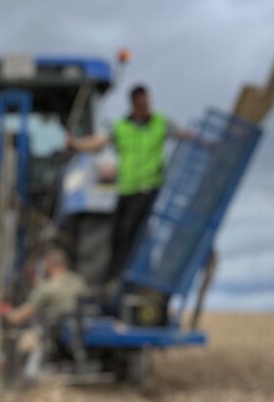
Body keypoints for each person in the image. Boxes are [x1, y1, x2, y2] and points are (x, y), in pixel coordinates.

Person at [69, 84, 193, 281]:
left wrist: (209, 143)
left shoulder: (161, 122)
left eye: (147, 103)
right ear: (133, 104)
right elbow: (99, 141)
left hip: (148, 186)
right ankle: (112, 276)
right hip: (126, 188)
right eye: (141, 104)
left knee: (131, 231)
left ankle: (124, 275)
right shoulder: (121, 126)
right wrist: (77, 144)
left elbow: (184, 134)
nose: (145, 108)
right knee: (117, 233)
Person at [0, 246, 87, 379]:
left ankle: (27, 377)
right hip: (75, 329)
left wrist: (4, 309)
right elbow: (57, 288)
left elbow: (17, 318)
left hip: (50, 336)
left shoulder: (45, 291)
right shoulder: (78, 281)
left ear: (50, 265)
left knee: (27, 340)